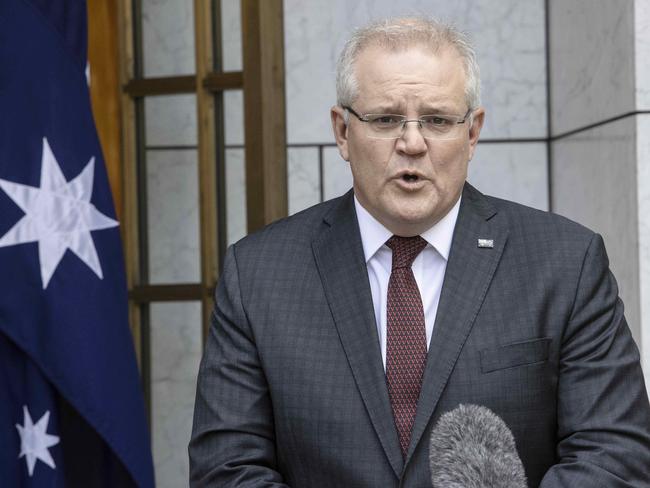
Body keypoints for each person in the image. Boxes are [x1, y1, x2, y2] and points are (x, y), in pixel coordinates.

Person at [189, 17, 650, 487]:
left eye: (437, 120)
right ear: (343, 132)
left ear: (471, 134)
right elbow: (226, 470)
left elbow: (613, 456)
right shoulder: (259, 273)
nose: (412, 143)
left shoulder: (565, 263)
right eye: (386, 119)